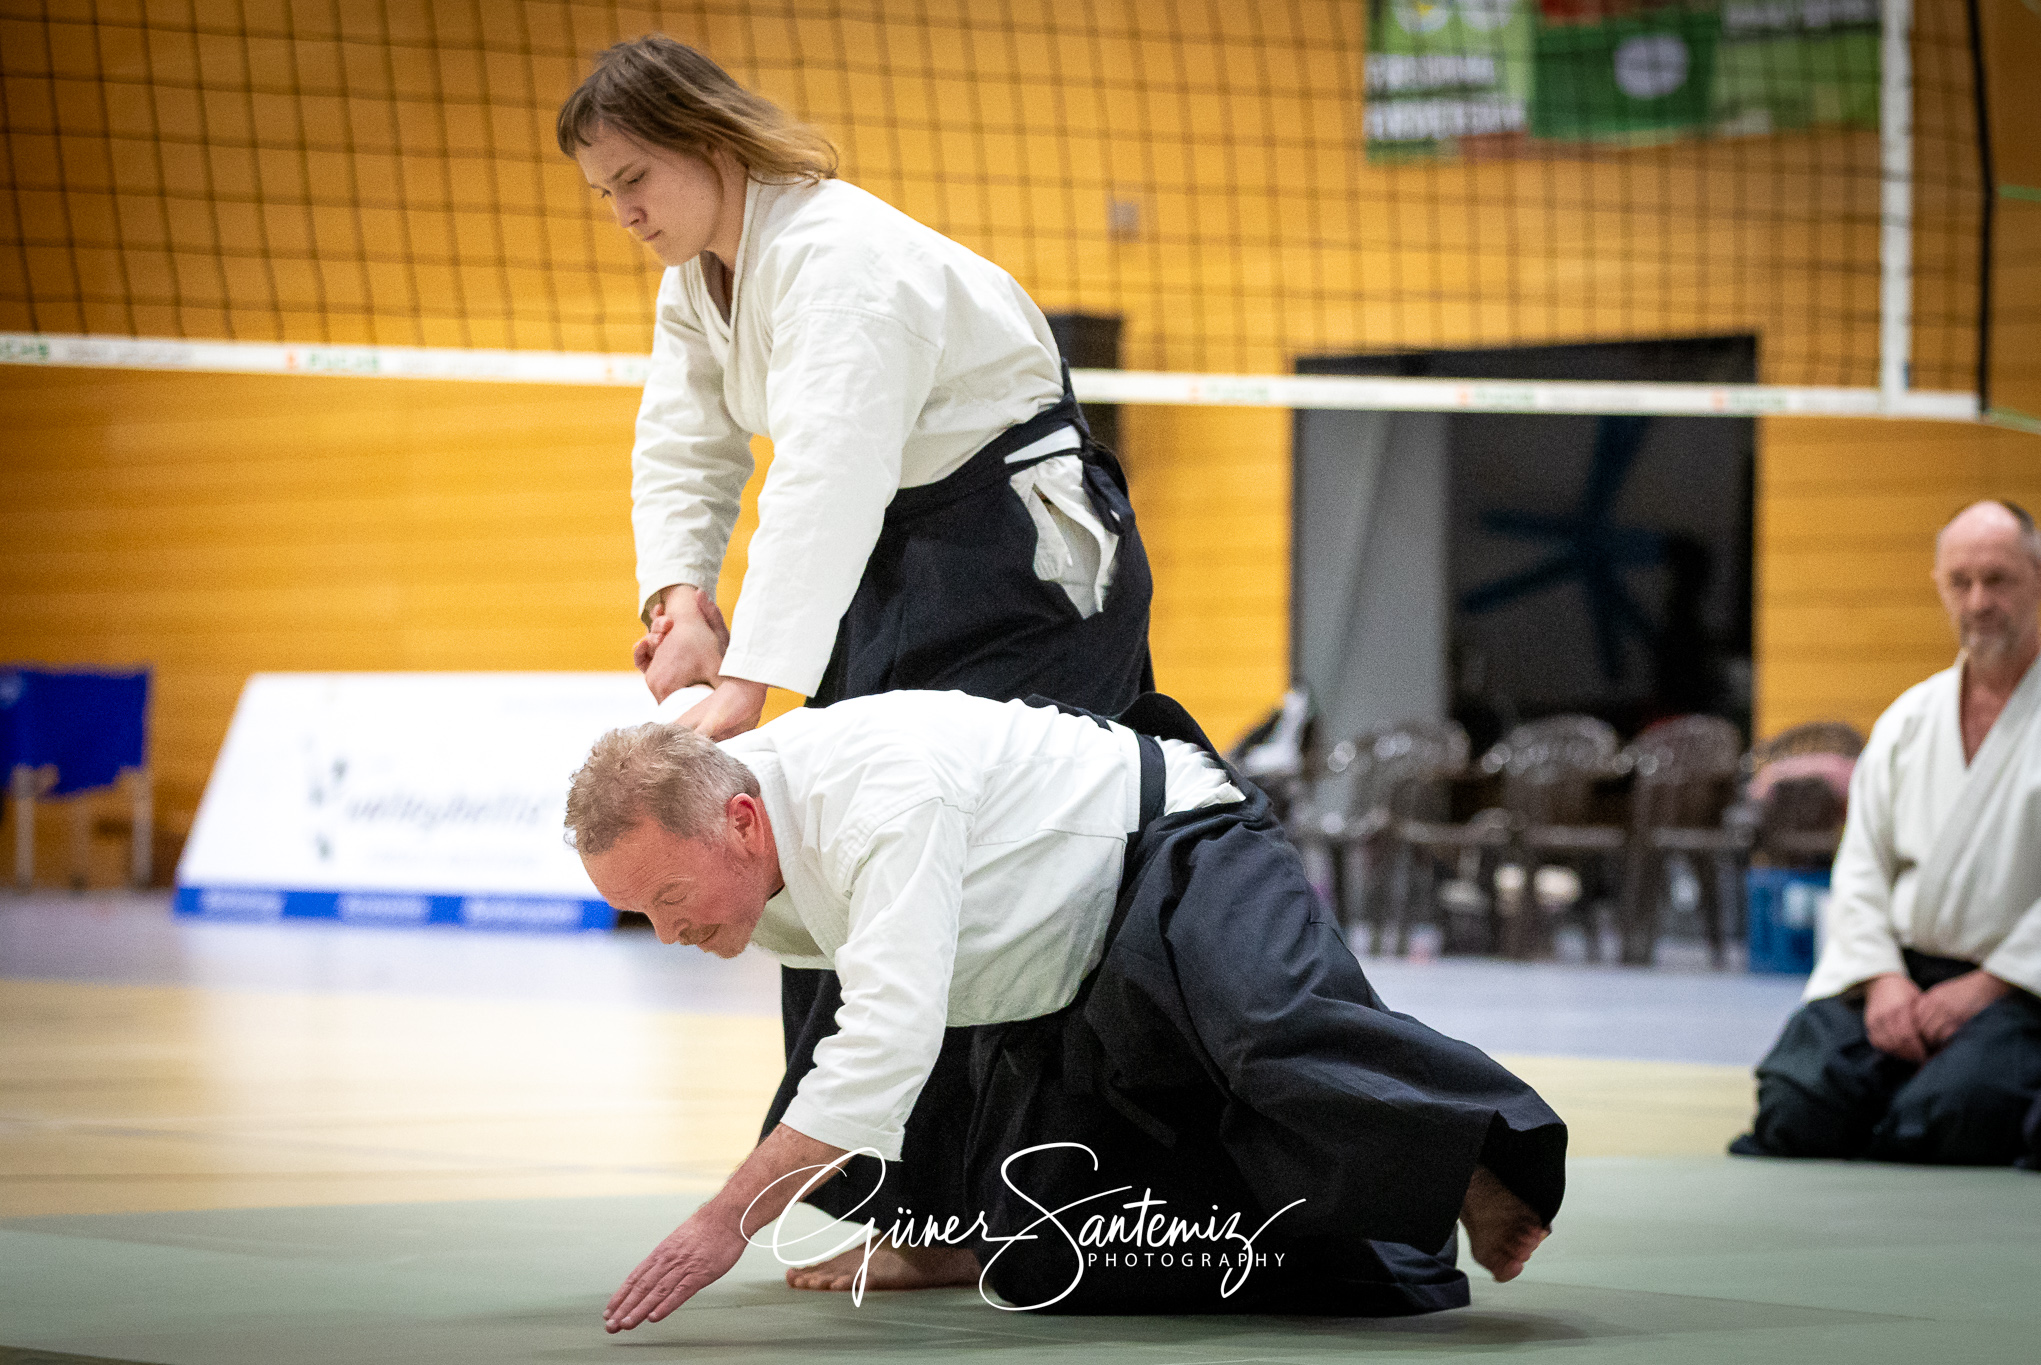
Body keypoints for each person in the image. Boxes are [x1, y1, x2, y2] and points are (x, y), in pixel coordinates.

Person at [557, 34, 1157, 1230]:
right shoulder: (703, 276)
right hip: (900, 559)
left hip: (1018, 561)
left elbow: (825, 475)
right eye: (602, 191)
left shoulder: (840, 259)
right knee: (826, 847)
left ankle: (1006, 1202)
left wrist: (748, 683)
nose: (621, 210)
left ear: (707, 141)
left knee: (984, 870)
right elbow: (684, 439)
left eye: (634, 177)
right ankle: (890, 1204)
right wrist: (677, 595)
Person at [565, 691, 1568, 1330]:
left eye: (665, 900)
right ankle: (1379, 1217)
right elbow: (901, 1019)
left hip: (1172, 841)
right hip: (1056, 957)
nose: (665, 933)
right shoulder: (741, 839)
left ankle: (1477, 1154)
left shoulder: (877, 794)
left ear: (739, 823)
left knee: (1265, 1036)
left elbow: (885, 1036)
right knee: (1060, 1262)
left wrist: (725, 1221)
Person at [1732, 500, 2041, 1165]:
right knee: (1795, 1102)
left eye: (1998, 579)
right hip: (1902, 975)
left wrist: (1989, 984)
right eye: (1960, 581)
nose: (1979, 598)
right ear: (1939, 586)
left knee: (1953, 1118)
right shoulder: (1911, 719)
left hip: (2022, 990)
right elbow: (1860, 868)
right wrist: (1880, 979)